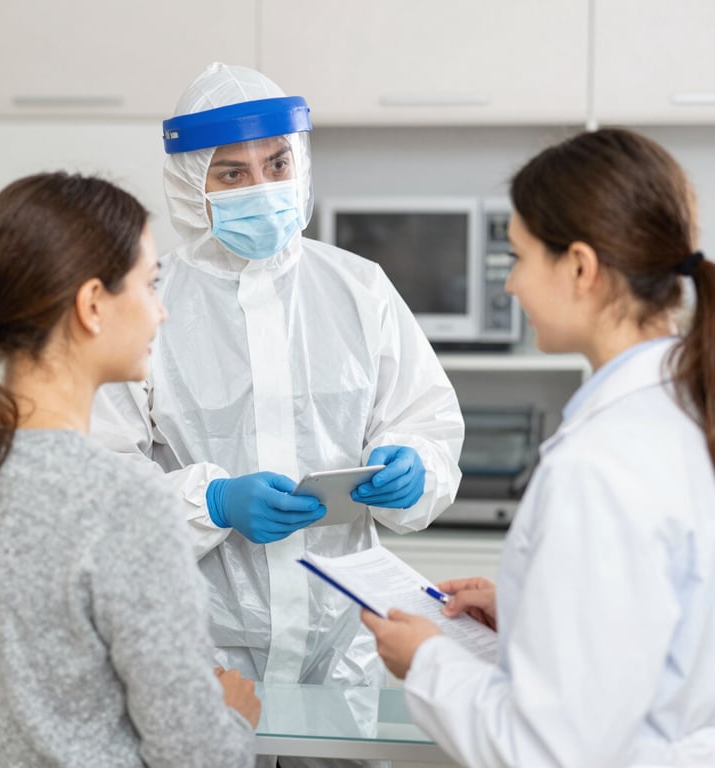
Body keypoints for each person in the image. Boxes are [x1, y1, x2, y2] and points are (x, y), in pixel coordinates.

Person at [91, 62, 464, 767]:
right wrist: (212, 501)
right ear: (188, 183)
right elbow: (100, 482)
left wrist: (413, 466)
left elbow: (425, 420)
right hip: (202, 648)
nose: (262, 187)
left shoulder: (358, 288)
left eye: (277, 162)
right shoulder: (146, 302)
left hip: (344, 645)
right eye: (231, 173)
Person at [361, 127, 715, 767]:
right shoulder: (686, 411)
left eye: (520, 258)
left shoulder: (599, 463)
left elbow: (549, 750)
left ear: (579, 267)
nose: (510, 286)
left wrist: (426, 661)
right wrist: (529, 611)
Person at [0, 172, 260, 767]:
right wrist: (230, 717)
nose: (162, 313)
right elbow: (198, 758)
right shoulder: (124, 503)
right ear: (92, 304)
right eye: (151, 284)